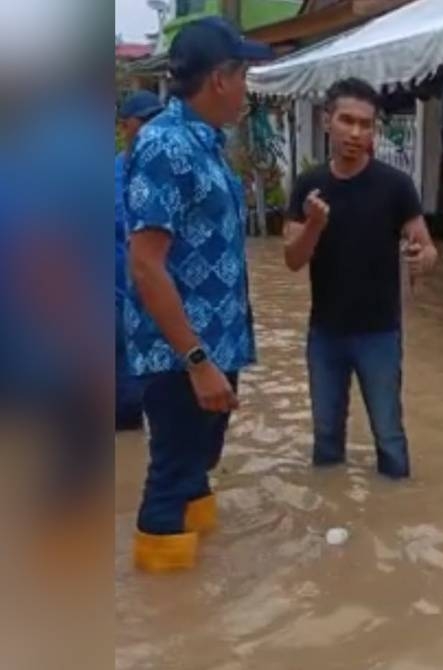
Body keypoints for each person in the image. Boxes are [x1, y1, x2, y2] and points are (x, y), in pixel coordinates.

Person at [124, 17, 273, 572]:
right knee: (170, 478)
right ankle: (167, 618)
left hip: (218, 345)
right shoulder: (166, 146)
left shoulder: (207, 144)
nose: (246, 88)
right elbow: (145, 264)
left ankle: (198, 602)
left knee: (196, 467)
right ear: (219, 79)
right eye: (243, 75)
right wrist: (197, 360)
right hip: (182, 354)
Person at [284, 78, 438, 480]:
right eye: (347, 121)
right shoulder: (308, 186)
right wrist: (315, 223)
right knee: (325, 439)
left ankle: (395, 518)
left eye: (366, 124)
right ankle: (329, 515)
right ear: (326, 122)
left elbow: (426, 245)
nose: (356, 133)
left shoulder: (396, 186)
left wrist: (423, 259)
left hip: (380, 334)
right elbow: (292, 260)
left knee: (389, 437)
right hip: (325, 334)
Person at [116, 91, 164, 431]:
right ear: (124, 126)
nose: (150, 129)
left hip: (158, 306)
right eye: (143, 121)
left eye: (156, 120)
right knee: (126, 405)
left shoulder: (167, 174)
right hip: (112, 306)